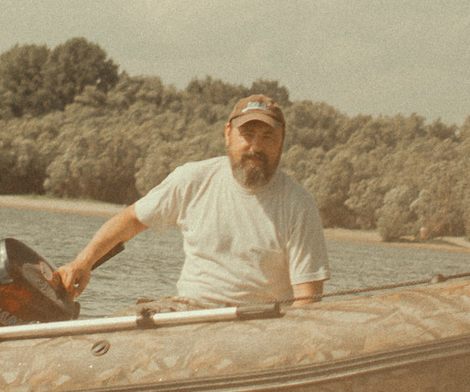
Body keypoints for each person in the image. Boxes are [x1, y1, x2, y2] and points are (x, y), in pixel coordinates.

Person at [56, 94, 327, 308]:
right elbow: (131, 220)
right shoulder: (193, 179)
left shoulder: (298, 205)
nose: (256, 147)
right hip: (187, 312)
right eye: (248, 135)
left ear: (281, 142)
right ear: (227, 134)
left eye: (268, 137)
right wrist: (83, 262)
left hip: (256, 328)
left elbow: (307, 302)